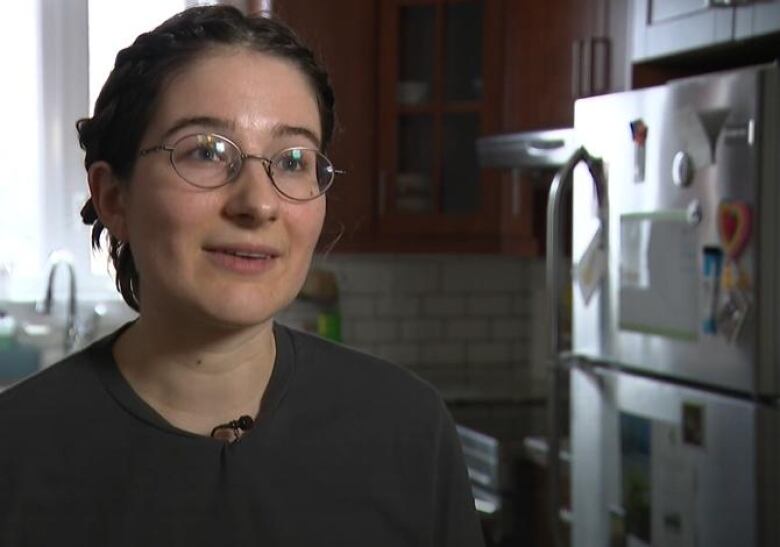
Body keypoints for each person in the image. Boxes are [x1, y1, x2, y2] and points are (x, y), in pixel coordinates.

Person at [0, 5, 484, 546]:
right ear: (114, 197)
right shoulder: (16, 451)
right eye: (206, 152)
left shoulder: (406, 426)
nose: (258, 204)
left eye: (294, 159)